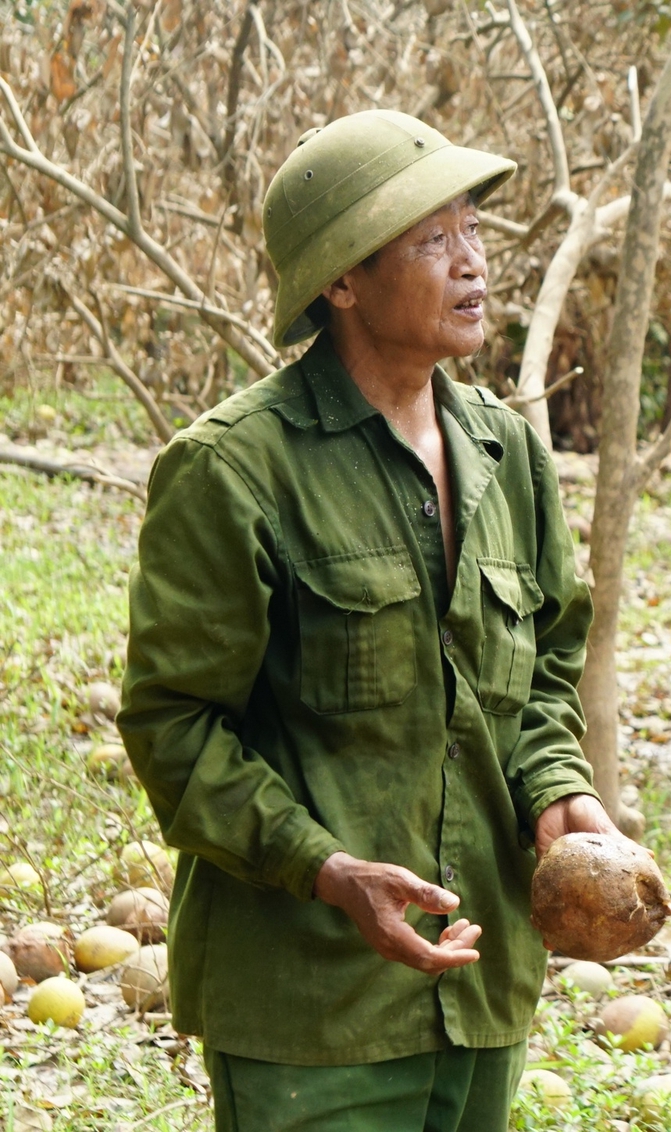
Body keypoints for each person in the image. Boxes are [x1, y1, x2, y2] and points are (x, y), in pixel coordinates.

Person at [118, 109, 624, 1131]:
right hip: (309, 1002)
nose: (472, 263)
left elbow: (543, 669)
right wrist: (324, 866)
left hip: (480, 983)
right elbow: (173, 725)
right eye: (431, 241)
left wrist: (558, 785)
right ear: (340, 283)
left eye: (472, 228)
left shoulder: (508, 456)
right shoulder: (232, 469)